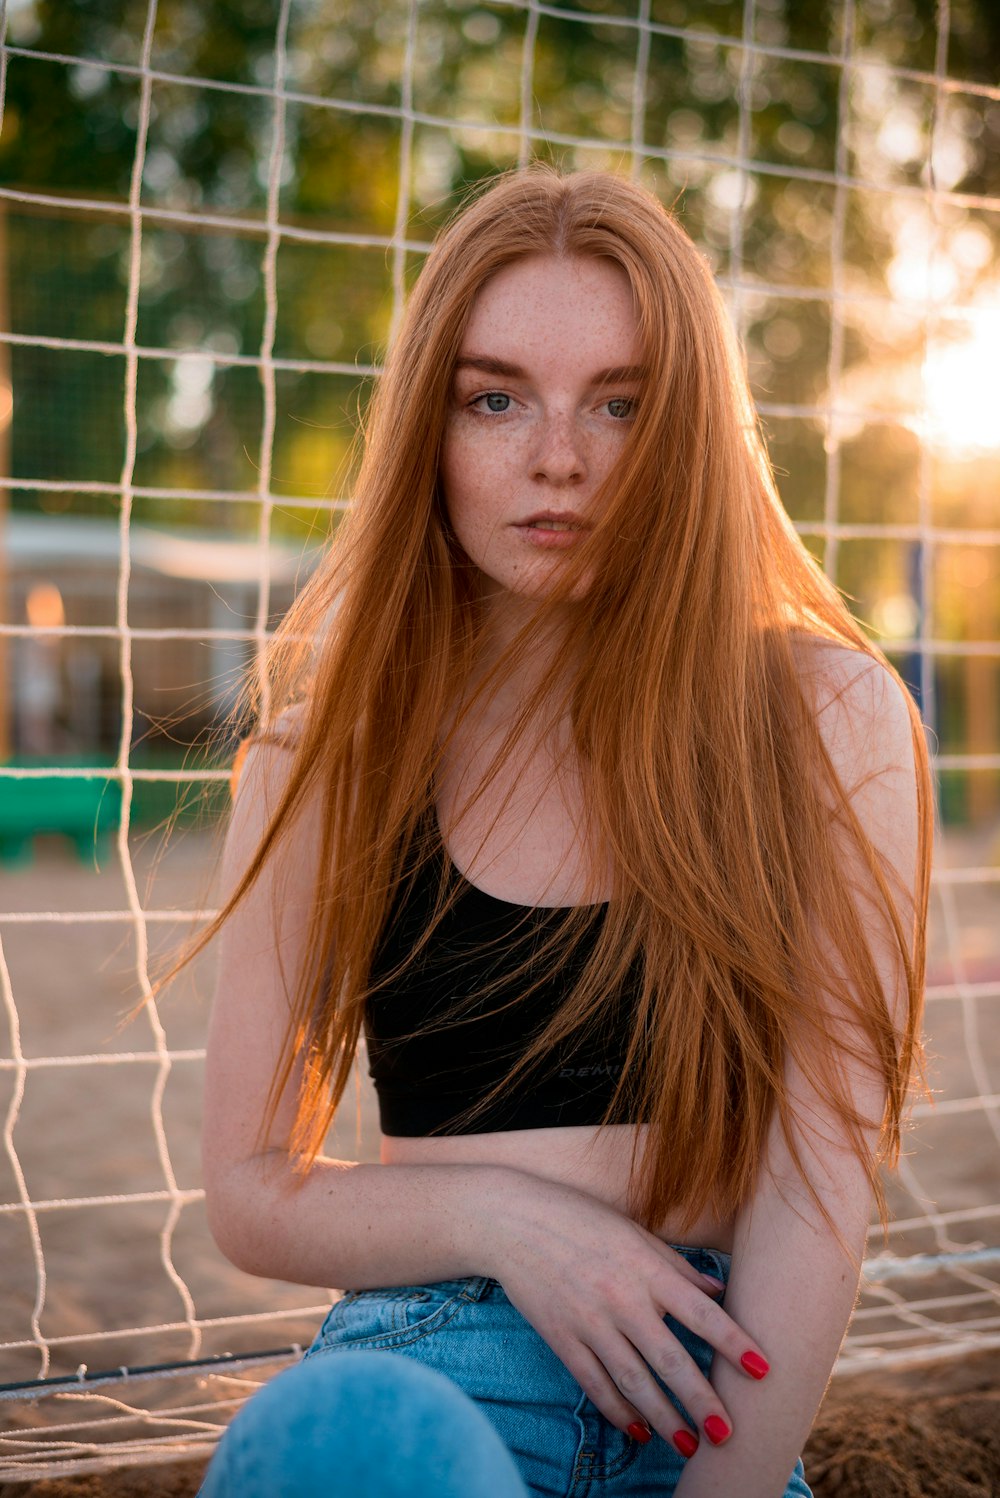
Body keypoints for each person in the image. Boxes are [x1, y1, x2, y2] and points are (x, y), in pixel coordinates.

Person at [193, 167, 932, 1497]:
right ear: (429, 424)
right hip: (428, 1371)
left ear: (693, 430)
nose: (559, 458)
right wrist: (508, 1219)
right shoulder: (332, 756)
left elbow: (818, 1182)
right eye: (494, 399)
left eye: (621, 404)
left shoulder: (831, 714)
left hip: (715, 1395)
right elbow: (250, 1188)